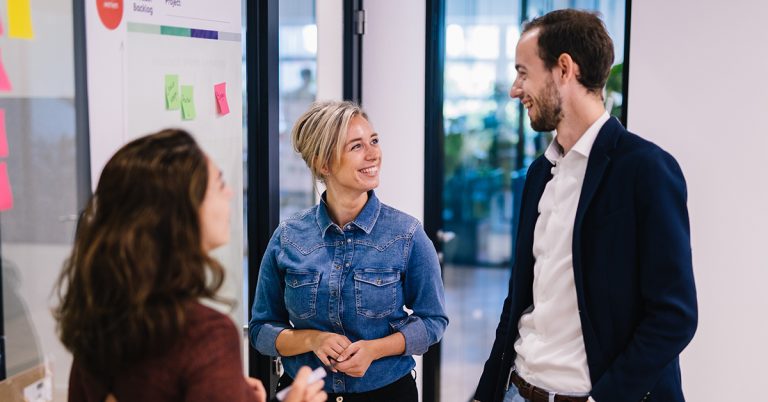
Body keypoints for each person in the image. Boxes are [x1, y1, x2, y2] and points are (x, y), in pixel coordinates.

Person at [474, 9, 697, 402]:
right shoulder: (538, 174)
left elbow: (674, 316)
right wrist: (486, 393)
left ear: (564, 69)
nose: (514, 88)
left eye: (524, 72)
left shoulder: (646, 170)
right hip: (518, 391)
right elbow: (519, 301)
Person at [54, 129, 326, 402]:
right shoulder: (206, 336)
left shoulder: (98, 320)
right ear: (184, 212)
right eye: (219, 184)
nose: (231, 193)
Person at [249, 100, 448, 402]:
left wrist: (374, 349)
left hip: (387, 394)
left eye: (374, 141)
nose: (373, 154)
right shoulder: (287, 237)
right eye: (356, 146)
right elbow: (261, 330)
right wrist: (313, 340)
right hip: (307, 395)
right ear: (323, 164)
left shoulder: (407, 234)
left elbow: (433, 321)